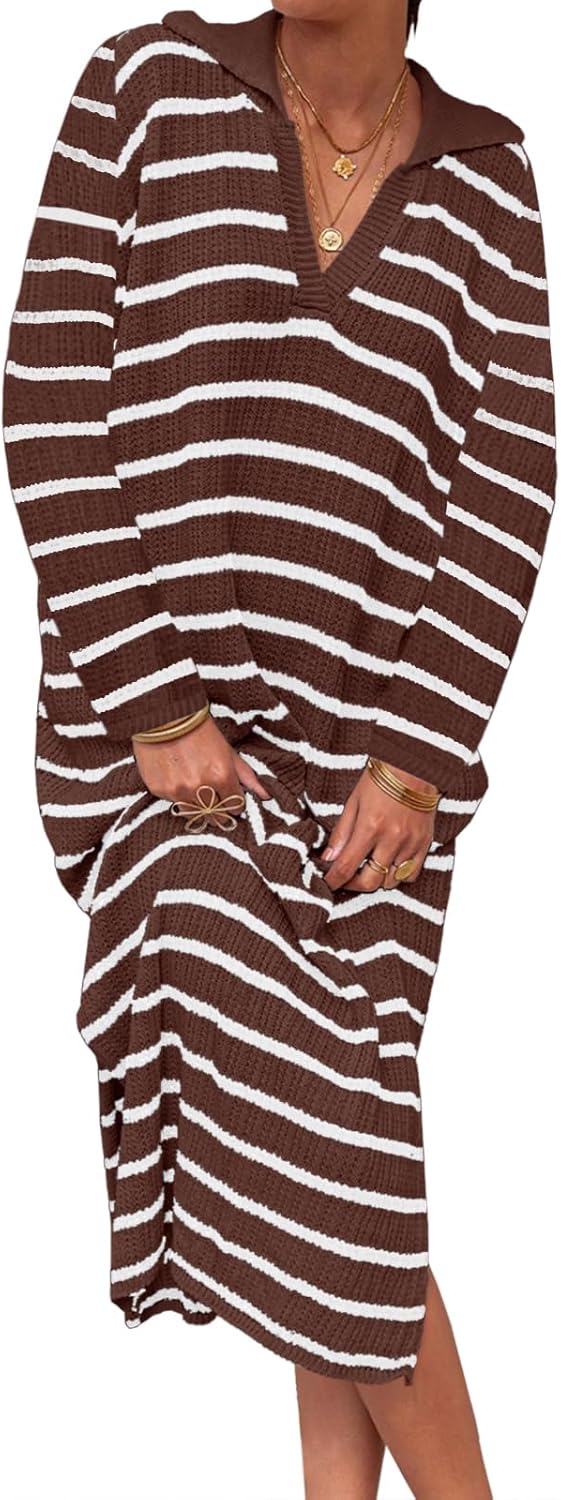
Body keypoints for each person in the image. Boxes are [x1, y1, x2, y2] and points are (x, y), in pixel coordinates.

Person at [3, 3, 556, 1496]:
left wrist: (418, 751)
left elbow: (507, 483)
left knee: (346, 1133)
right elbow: (47, 400)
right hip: (164, 767)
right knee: (349, 1172)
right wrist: (152, 699)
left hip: (377, 784)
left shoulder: (486, 178)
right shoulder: (144, 87)